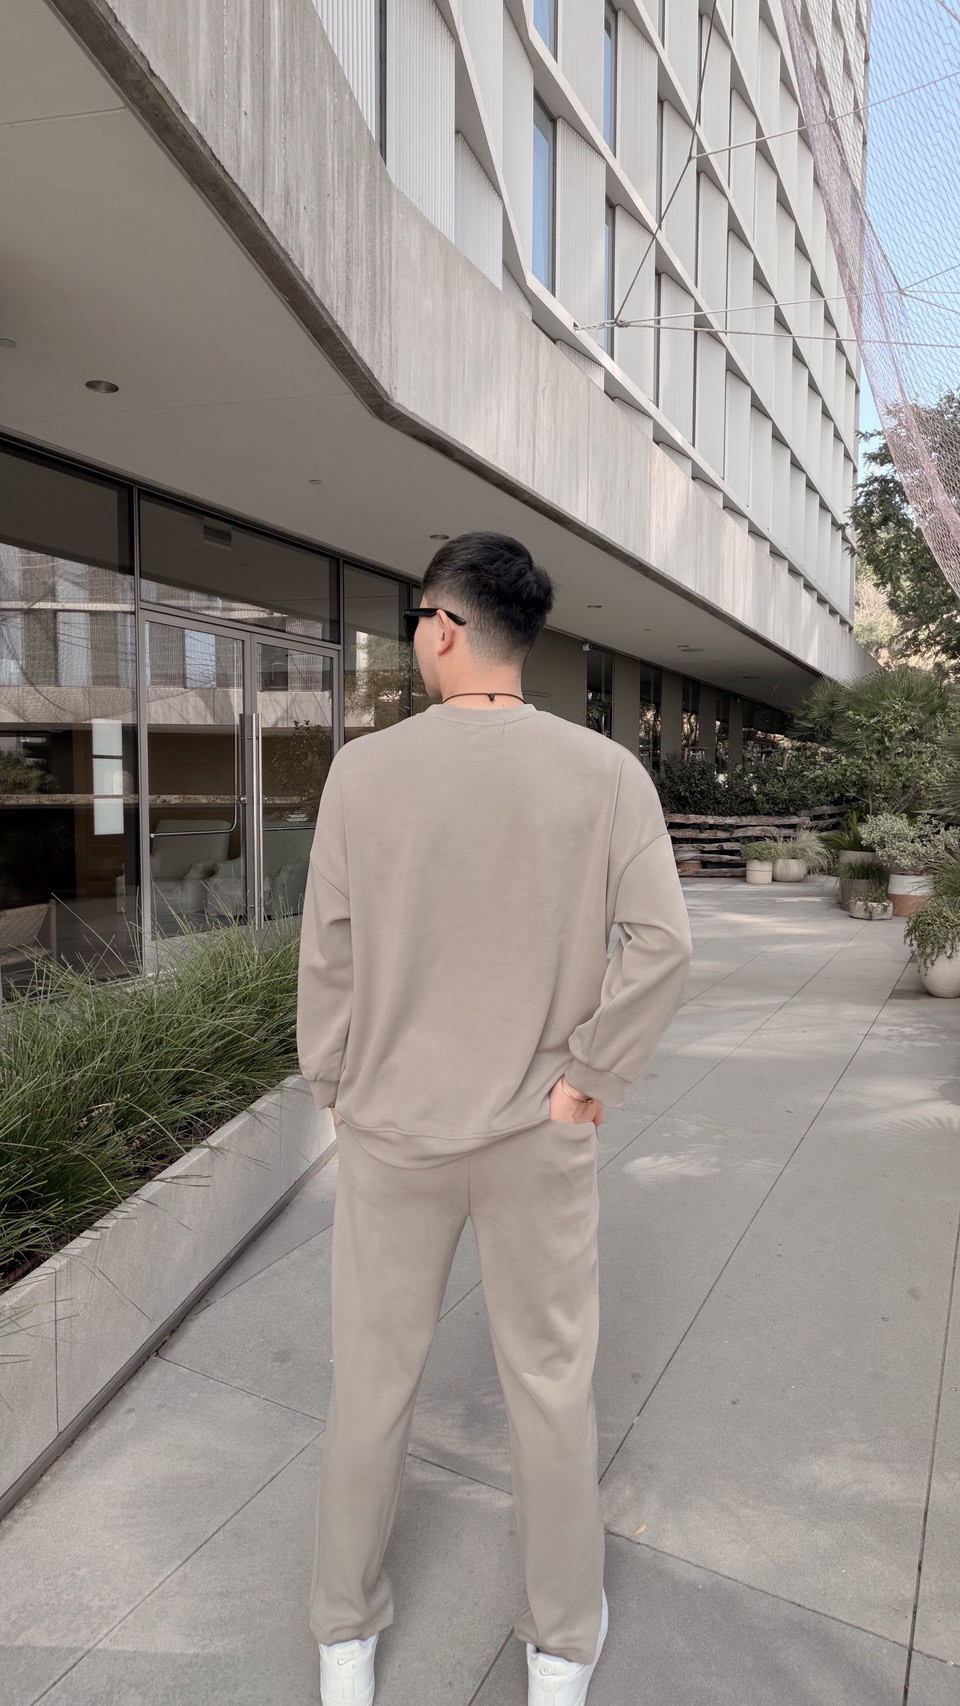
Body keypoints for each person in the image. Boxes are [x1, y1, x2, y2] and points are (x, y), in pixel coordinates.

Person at [296, 532, 693, 1706]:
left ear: (445, 625)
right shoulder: (604, 773)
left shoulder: (364, 773)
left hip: (393, 1129)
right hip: (536, 1133)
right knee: (551, 1383)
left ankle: (343, 1638)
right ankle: (561, 1645)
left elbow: (330, 952)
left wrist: (335, 1082)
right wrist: (589, 1075)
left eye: (419, 615)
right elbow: (663, 943)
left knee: (371, 1380)